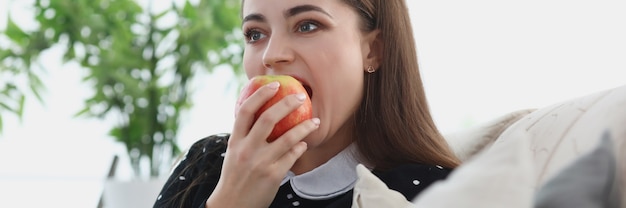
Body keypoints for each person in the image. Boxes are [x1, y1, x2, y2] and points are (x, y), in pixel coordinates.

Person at [154, 0, 461, 207]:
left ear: (373, 51)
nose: (271, 55)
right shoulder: (207, 164)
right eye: (255, 33)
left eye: (307, 26)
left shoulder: (432, 192)